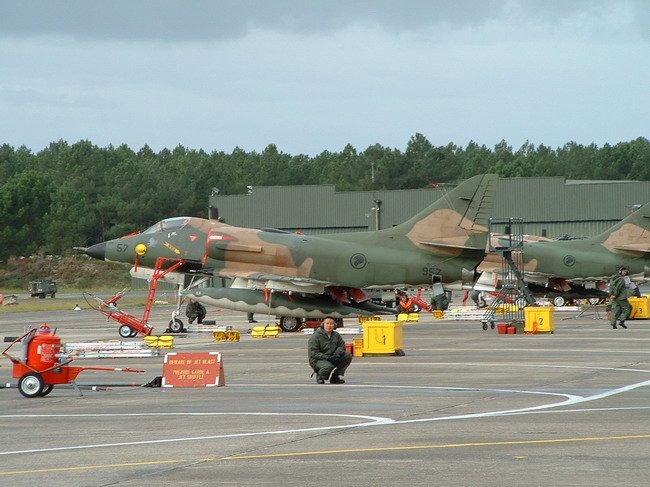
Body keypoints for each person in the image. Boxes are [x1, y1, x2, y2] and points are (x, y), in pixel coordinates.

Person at [308, 316, 352, 384]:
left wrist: (337, 353)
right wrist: (327, 358)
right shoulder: (316, 337)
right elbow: (314, 353)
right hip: (318, 360)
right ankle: (320, 376)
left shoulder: (336, 335)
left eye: (331, 324)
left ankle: (335, 377)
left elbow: (341, 345)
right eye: (327, 323)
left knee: (347, 356)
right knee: (328, 367)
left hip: (332, 357)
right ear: (323, 325)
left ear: (334, 325)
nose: (329, 325)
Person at [608, 265, 632, 329]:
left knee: (615, 310)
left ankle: (613, 323)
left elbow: (610, 287)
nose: (625, 273)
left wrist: (611, 295)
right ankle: (622, 321)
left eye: (625, 272)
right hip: (621, 297)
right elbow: (618, 288)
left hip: (614, 298)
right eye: (624, 271)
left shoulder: (613, 278)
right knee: (628, 308)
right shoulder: (621, 279)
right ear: (620, 271)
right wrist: (615, 295)